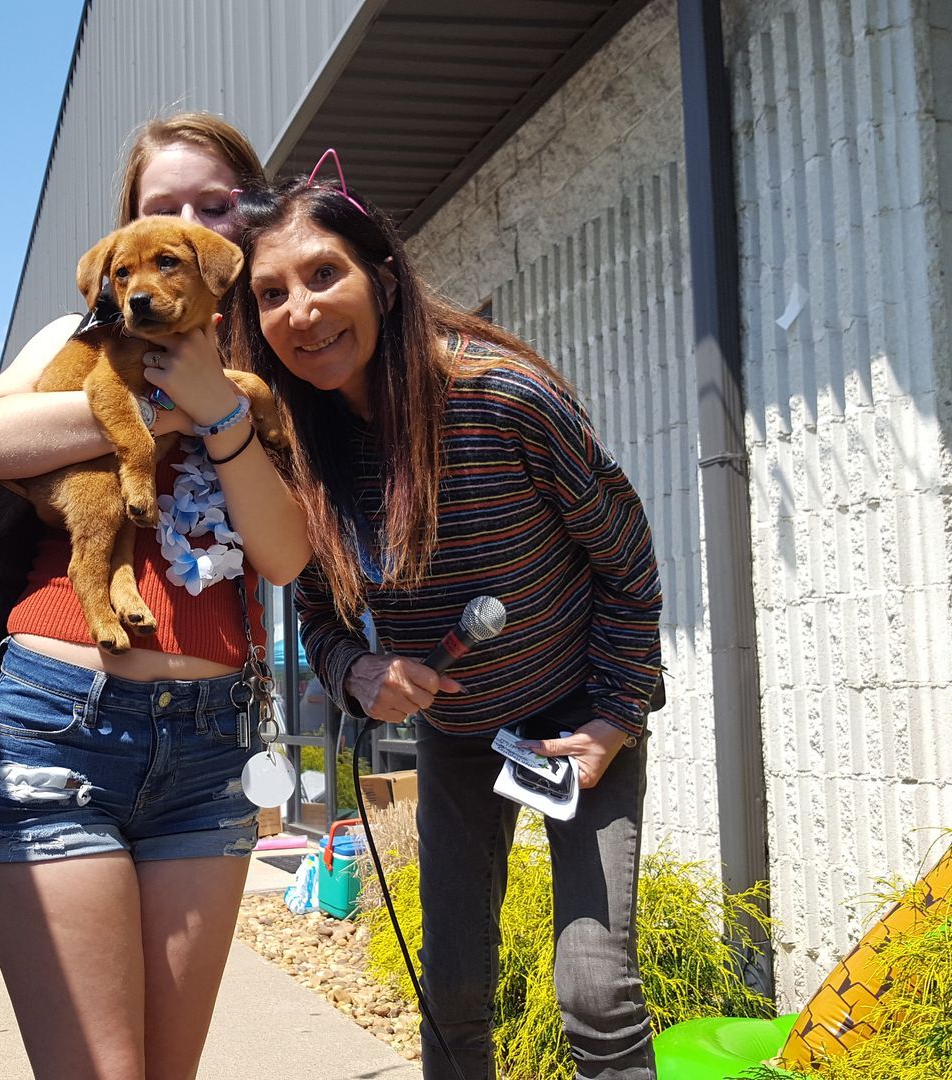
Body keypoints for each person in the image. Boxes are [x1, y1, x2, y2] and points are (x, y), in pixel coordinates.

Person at [230, 164, 665, 1079]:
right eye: (271, 295)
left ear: (380, 280)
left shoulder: (503, 398)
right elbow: (318, 609)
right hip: (462, 738)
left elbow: (629, 567)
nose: (301, 311)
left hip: (577, 722)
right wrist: (354, 671)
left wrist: (614, 719)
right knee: (453, 991)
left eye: (322, 276)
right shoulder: (299, 456)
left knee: (594, 992)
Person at [0, 112, 310, 1080]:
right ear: (127, 237)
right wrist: (154, 404)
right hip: (62, 721)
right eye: (163, 209)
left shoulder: (274, 358)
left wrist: (224, 408)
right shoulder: (78, 336)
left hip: (208, 746)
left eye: (214, 206)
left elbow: (283, 556)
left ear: (241, 232)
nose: (188, 225)